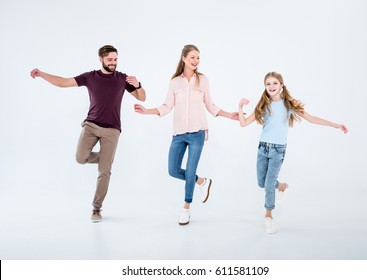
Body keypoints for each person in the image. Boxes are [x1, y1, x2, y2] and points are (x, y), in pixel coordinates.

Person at [30, 45, 146, 223]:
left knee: (104, 171)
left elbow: (142, 97)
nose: (113, 63)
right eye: (110, 60)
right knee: (80, 158)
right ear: (100, 59)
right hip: (91, 125)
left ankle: (96, 208)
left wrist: (138, 85)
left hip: (112, 129)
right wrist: (42, 74)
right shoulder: (90, 77)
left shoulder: (122, 78)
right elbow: (63, 82)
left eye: (115, 60)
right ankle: (105, 157)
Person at [134, 44, 238, 225]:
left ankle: (186, 208)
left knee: (190, 172)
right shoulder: (175, 82)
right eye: (192, 57)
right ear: (183, 58)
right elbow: (166, 106)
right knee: (172, 170)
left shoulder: (203, 80)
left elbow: (210, 105)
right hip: (179, 134)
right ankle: (202, 181)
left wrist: (230, 115)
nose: (196, 61)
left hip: (197, 133)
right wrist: (146, 111)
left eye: (198, 57)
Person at [238, 71, 348, 234]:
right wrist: (240, 107)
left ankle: (268, 216)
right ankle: (282, 186)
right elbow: (244, 123)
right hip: (262, 148)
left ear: (281, 85)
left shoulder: (289, 103)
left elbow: (311, 118)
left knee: (268, 185)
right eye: (268, 84)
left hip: (278, 150)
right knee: (262, 183)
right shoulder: (263, 104)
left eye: (275, 83)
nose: (271, 86)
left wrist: (335, 125)